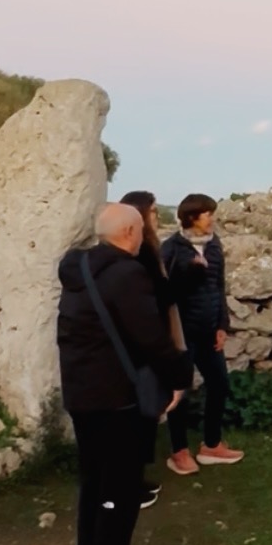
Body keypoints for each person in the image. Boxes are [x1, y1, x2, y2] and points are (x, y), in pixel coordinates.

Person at [57, 201, 192, 545]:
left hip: (83, 399)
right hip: (117, 403)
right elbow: (151, 338)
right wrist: (180, 377)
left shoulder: (79, 270)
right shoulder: (126, 274)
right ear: (131, 233)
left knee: (96, 492)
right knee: (118, 497)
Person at [161, 193, 245, 473]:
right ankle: (179, 451)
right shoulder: (172, 248)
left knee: (220, 385)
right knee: (179, 394)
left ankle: (211, 445)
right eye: (208, 214)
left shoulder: (214, 244)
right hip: (182, 333)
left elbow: (219, 287)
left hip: (209, 331)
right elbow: (165, 293)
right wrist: (189, 272)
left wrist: (222, 325)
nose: (213, 218)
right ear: (191, 217)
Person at [120, 189, 183, 506]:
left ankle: (135, 480)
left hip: (146, 344)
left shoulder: (148, 250)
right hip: (143, 348)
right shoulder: (141, 254)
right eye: (155, 211)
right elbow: (156, 298)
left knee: (143, 416)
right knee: (139, 417)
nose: (158, 216)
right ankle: (129, 487)